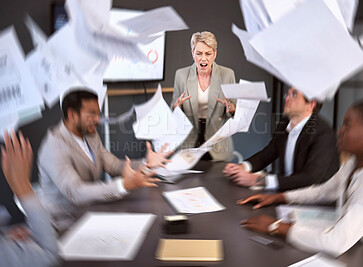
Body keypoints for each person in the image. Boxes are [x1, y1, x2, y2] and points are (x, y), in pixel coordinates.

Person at [239, 100, 363, 267]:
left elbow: (337, 242)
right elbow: (324, 191)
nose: (340, 130)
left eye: (347, 125)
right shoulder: (354, 163)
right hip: (356, 249)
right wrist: (280, 197)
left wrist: (277, 227)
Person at [37, 89, 172, 231]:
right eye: (91, 114)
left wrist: (146, 163)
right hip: (63, 225)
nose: (97, 119)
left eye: (97, 113)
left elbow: (114, 166)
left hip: (89, 214)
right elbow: (75, 192)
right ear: (72, 114)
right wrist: (123, 186)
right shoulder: (53, 146)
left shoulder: (90, 135)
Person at [223, 87, 339, 191]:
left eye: (293, 95)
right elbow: (269, 153)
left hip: (315, 201)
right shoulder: (285, 122)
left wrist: (257, 180)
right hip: (287, 193)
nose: (287, 98)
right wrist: (243, 167)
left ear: (311, 104)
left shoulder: (324, 133)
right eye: (287, 94)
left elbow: (310, 178)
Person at [171, 31, 236, 161]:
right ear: (192, 53)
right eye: (199, 53)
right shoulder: (181, 75)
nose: (203, 58)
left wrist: (231, 108)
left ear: (215, 54)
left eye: (208, 53)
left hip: (217, 144)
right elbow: (174, 108)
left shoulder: (227, 74)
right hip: (189, 141)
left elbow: (235, 112)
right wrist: (176, 107)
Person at [0, 131, 59, 266]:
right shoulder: (54, 142)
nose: (96, 120)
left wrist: (4, 237)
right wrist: (22, 185)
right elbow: (49, 256)